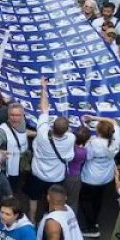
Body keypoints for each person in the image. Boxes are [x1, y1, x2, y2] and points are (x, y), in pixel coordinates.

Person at [27, 80, 75, 221]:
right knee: (53, 199)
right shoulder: (71, 138)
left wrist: (44, 88)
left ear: (52, 126)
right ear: (66, 130)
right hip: (56, 177)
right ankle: (51, 219)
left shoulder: (42, 133)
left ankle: (32, 218)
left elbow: (44, 108)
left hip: (38, 174)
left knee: (33, 197)